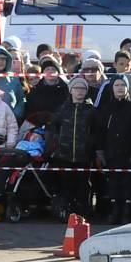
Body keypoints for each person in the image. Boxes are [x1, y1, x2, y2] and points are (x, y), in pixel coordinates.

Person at [98, 74, 131, 223]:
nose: (120, 88)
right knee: (113, 183)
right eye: (117, 85)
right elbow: (100, 131)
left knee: (129, 184)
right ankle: (114, 211)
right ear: (112, 88)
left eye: (123, 85)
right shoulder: (106, 108)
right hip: (111, 153)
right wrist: (99, 151)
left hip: (129, 153)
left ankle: (127, 212)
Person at [49, 76, 100, 217]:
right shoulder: (63, 108)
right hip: (64, 154)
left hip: (83, 155)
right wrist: (56, 141)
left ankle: (83, 211)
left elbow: (97, 130)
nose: (80, 91)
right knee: (66, 184)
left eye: (83, 88)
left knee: (83, 185)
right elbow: (52, 125)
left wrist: (91, 144)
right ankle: (67, 211)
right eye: (77, 88)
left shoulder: (91, 110)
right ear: (71, 90)